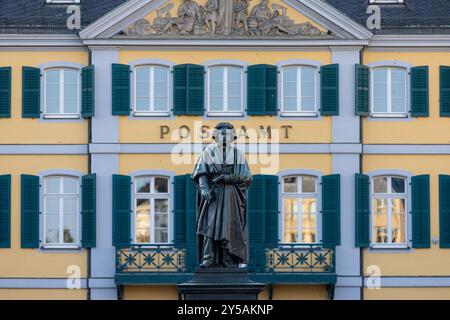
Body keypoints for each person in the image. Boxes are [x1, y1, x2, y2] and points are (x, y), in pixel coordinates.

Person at [192, 122, 252, 268]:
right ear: (216, 136)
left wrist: (227, 178)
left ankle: (228, 258)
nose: (225, 137)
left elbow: (247, 177)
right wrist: (204, 187)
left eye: (228, 134)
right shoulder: (208, 152)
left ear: (233, 137)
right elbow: (201, 171)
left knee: (229, 226)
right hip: (213, 194)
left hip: (231, 195)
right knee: (209, 225)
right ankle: (209, 257)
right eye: (222, 134)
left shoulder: (238, 154)